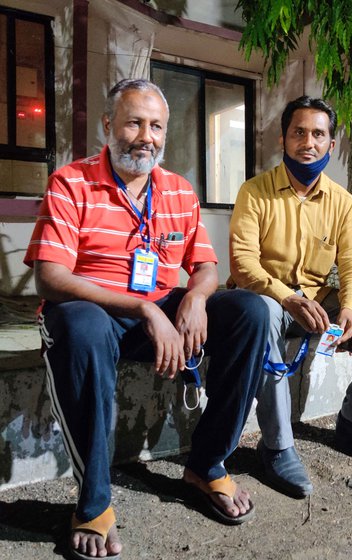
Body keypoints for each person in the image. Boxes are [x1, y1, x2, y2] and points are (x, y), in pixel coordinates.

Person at [24, 79, 269, 559]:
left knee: (249, 311)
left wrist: (195, 299)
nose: (146, 136)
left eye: (156, 125)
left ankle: (207, 465)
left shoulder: (178, 190)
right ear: (108, 125)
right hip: (93, 311)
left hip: (159, 309)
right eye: (134, 122)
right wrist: (143, 308)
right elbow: (50, 278)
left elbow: (206, 269)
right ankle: (93, 505)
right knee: (81, 325)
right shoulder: (71, 182)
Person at [229, 96, 352, 499]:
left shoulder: (341, 201)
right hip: (269, 300)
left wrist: (349, 309)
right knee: (262, 313)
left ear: (330, 143)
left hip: (319, 301)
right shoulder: (254, 192)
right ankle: (276, 444)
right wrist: (287, 297)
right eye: (299, 132)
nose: (307, 142)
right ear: (283, 139)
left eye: (318, 134)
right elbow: (242, 265)